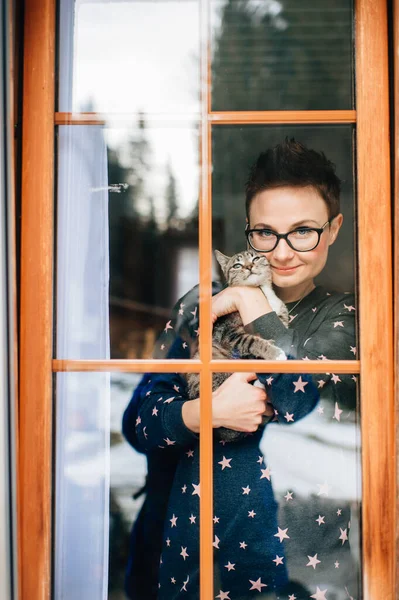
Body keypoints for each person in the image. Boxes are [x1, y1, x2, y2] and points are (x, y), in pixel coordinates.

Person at [123, 139, 357, 600]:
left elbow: (293, 400)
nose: (282, 252)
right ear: (248, 230)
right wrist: (201, 413)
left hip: (294, 566)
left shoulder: (343, 315)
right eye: (265, 233)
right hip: (175, 559)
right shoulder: (202, 301)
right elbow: (137, 423)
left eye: (304, 231)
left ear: (333, 229)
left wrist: (250, 302)